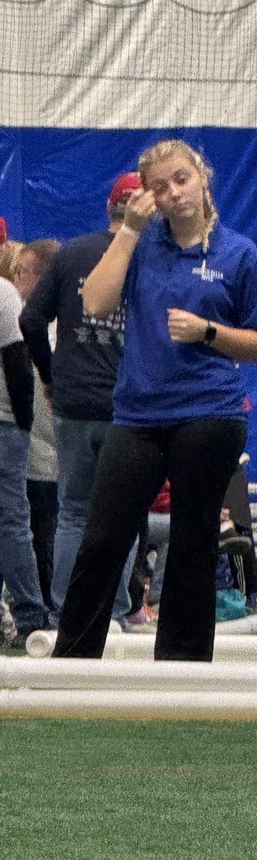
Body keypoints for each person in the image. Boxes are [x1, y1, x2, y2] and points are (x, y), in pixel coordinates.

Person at [52, 139, 257, 661]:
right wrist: (129, 230)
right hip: (138, 413)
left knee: (194, 539)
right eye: (159, 186)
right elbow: (95, 301)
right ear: (147, 197)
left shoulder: (239, 253)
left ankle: (183, 662)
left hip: (210, 412)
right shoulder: (142, 245)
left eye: (181, 179)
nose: (173, 193)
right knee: (104, 535)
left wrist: (208, 332)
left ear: (203, 179)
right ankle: (73, 657)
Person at [20, 174, 145, 628]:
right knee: (123, 514)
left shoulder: (73, 253)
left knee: (73, 511)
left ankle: (65, 612)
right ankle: (113, 610)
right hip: (126, 405)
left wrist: (53, 379)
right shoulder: (148, 256)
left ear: (109, 208)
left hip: (73, 402)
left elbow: (32, 320)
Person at [0, 270, 51, 646]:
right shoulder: (3, 293)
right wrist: (24, 421)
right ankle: (31, 612)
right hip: (4, 421)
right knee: (13, 522)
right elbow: (17, 359)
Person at [14, 239, 61, 614]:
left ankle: (47, 605)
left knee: (44, 534)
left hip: (45, 454)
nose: (15, 280)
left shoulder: (45, 325)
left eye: (21, 273)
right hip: (38, 451)